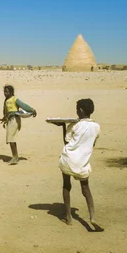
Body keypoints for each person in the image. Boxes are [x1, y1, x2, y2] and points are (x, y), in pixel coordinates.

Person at [49, 99, 103, 231]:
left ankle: (68, 217)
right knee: (86, 189)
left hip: (68, 159)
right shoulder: (96, 127)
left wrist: (62, 125)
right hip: (82, 161)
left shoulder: (74, 126)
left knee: (66, 185)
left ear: (80, 111)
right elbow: (92, 143)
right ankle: (92, 217)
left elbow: (66, 141)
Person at [0, 85, 36, 165]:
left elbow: (23, 105)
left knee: (11, 139)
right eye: (4, 92)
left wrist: (32, 110)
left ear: (11, 92)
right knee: (11, 139)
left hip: (15, 120)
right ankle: (15, 156)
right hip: (9, 120)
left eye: (7, 92)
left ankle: (15, 157)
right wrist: (4, 120)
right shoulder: (6, 100)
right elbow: (6, 111)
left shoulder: (14, 99)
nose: (5, 93)